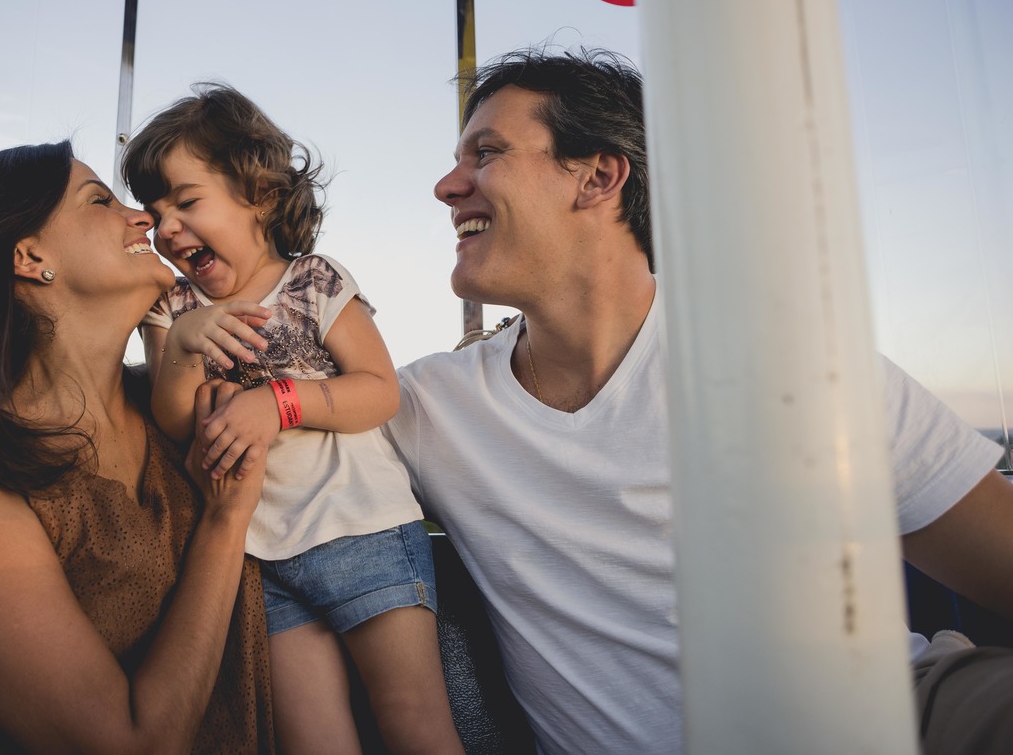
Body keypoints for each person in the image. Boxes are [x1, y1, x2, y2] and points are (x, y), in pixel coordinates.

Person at [381, 48, 1013, 755]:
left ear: (598, 177)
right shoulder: (426, 407)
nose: (446, 186)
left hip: (906, 714)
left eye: (488, 153)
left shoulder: (782, 359)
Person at [0, 141, 274, 754]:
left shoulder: (177, 407)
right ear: (29, 256)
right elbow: (132, 746)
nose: (144, 218)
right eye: (99, 201)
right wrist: (225, 520)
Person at [120, 84, 464, 755]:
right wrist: (184, 347)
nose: (167, 229)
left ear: (260, 196)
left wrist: (278, 402)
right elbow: (174, 423)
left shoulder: (315, 280)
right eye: (156, 214)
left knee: (413, 720)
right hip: (259, 555)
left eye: (186, 202)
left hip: (361, 527)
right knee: (313, 740)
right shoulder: (173, 310)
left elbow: (378, 391)